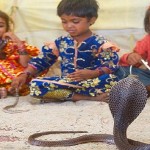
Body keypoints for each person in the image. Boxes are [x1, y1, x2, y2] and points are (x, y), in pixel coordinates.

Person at [10, 0, 120, 103]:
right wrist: (24, 75)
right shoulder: (60, 42)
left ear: (92, 20)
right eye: (64, 21)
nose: (69, 26)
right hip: (67, 83)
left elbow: (110, 65)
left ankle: (66, 96)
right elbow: (42, 60)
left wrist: (93, 73)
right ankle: (87, 98)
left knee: (111, 80)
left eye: (75, 21)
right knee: (35, 86)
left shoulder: (101, 43)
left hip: (91, 83)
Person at [0, 10, 41, 98]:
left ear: (7, 28)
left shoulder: (11, 44)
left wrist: (18, 42)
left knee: (26, 72)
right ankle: (6, 89)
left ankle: (10, 89)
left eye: (0, 26)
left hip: (11, 75)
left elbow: (25, 64)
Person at [115, 6, 150, 96]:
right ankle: (143, 87)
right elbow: (130, 62)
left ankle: (142, 88)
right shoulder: (147, 40)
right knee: (121, 70)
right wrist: (130, 57)